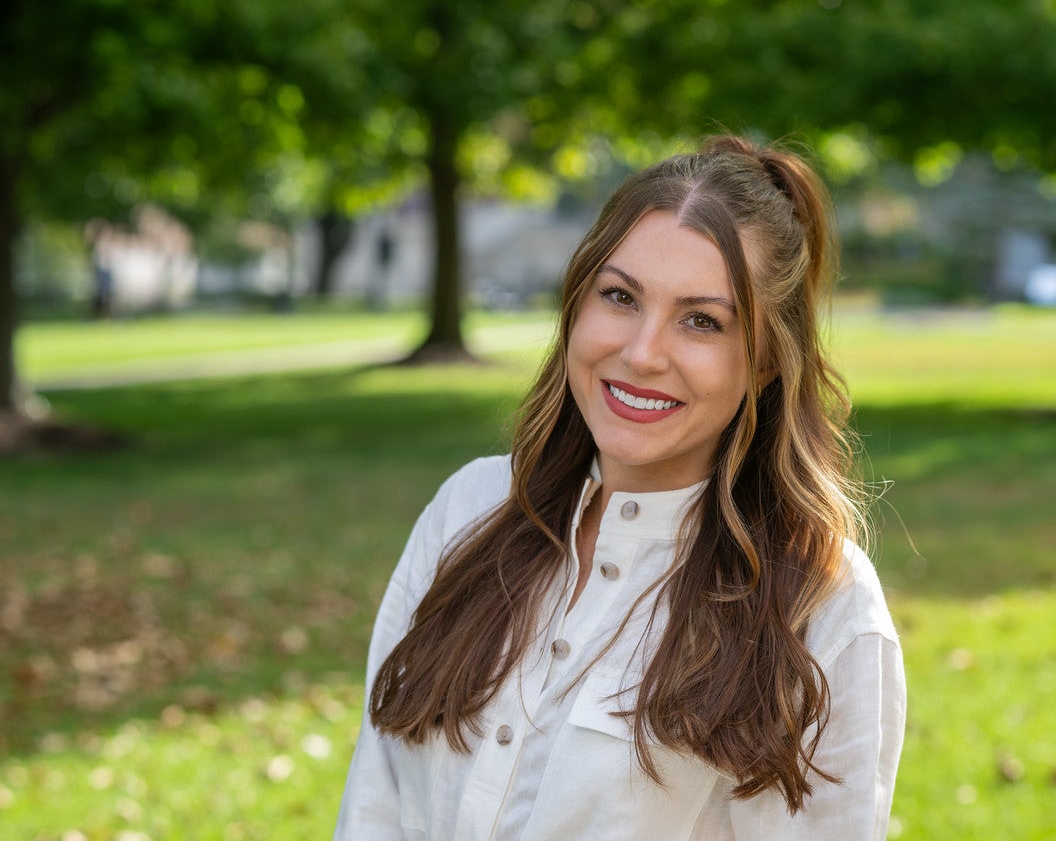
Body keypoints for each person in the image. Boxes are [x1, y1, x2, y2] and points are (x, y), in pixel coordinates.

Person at [335, 136, 906, 840]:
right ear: (578, 303)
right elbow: (375, 802)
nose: (641, 353)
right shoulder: (467, 509)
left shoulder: (819, 603)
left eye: (703, 321)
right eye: (621, 297)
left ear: (764, 364)